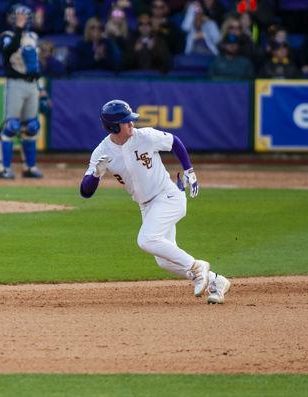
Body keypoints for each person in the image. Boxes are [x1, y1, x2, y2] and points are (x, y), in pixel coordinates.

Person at [80, 99, 231, 305]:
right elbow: (86, 192)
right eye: (126, 121)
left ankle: (197, 267)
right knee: (164, 260)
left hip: (168, 197)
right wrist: (95, 174)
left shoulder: (145, 136)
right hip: (147, 206)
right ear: (114, 127)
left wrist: (189, 170)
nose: (132, 123)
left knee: (146, 240)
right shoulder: (101, 152)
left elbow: (174, 141)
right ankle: (217, 281)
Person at [0, 5, 48, 179]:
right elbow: (8, 51)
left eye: (24, 17)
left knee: (32, 127)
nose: (22, 19)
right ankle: (4, 168)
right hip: (16, 83)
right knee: (11, 126)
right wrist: (18, 28)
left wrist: (41, 89)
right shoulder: (7, 36)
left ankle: (29, 167)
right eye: (18, 16)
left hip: (32, 84)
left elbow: (35, 65)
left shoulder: (33, 36)